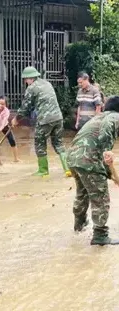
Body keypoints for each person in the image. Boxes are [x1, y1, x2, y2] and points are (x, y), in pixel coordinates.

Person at [66, 95, 119, 246]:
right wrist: (107, 151)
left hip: (73, 158)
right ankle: (100, 235)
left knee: (82, 193)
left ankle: (79, 225)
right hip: (89, 161)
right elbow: (105, 135)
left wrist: (109, 174)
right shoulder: (115, 117)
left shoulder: (98, 117)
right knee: (100, 196)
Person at [11, 66, 71, 177]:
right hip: (58, 117)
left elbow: (25, 107)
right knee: (58, 143)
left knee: (40, 143)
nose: (25, 81)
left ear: (31, 78)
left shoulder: (32, 87)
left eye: (26, 79)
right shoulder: (47, 83)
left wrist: (16, 119)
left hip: (45, 120)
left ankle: (43, 171)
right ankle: (67, 169)